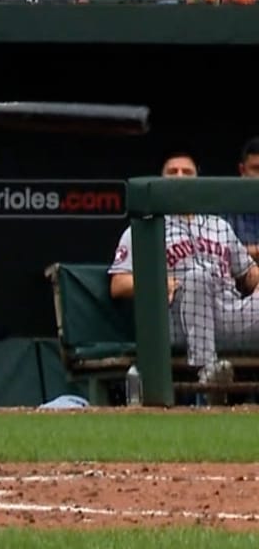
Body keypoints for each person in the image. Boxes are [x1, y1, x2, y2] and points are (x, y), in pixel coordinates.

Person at [109, 152, 258, 403]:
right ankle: (208, 371)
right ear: (160, 179)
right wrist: (157, 283)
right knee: (198, 277)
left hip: (228, 315)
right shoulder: (144, 227)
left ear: (198, 180)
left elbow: (248, 273)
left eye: (187, 172)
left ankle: (215, 378)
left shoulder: (219, 225)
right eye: (172, 172)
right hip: (177, 321)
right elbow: (118, 284)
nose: (179, 177)